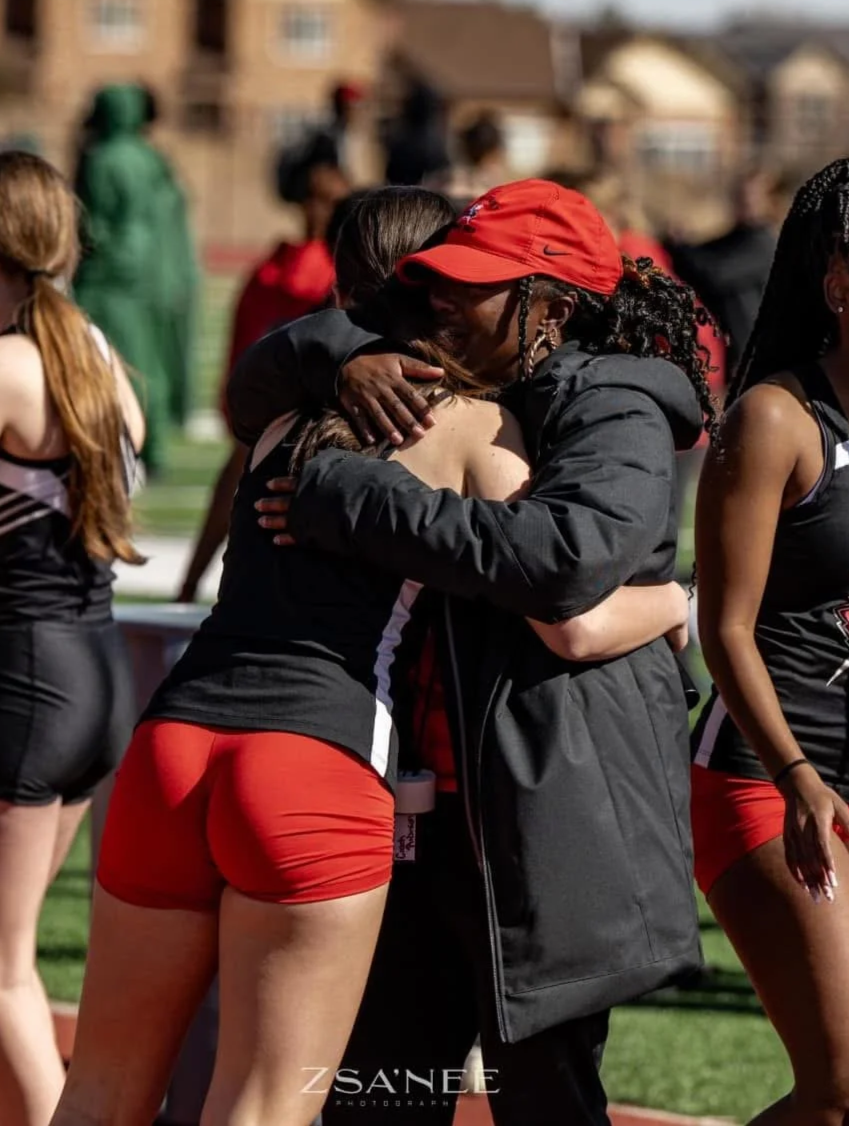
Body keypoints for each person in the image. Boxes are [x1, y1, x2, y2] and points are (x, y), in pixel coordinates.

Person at [51, 185, 686, 1126]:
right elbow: (568, 608)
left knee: (102, 1091)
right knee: (271, 1103)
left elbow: (255, 384)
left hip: (172, 746)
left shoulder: (285, 410)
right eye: (431, 284)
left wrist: (335, 423)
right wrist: (677, 600)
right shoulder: (481, 427)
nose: (439, 302)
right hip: (316, 761)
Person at [230, 178, 714, 1124]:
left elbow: (560, 566)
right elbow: (257, 379)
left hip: (545, 823)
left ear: (550, 307)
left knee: (542, 1102)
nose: (441, 297)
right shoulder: (455, 373)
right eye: (437, 278)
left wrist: (346, 501)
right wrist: (341, 364)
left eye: (472, 282)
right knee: (381, 1097)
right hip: (421, 819)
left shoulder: (613, 405)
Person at [692, 159, 849, 1126]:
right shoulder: (776, 421)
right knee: (840, 1090)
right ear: (837, 280)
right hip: (771, 778)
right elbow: (723, 626)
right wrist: (795, 776)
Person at [0, 151, 144, 1126]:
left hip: (27, 676)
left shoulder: (8, 364)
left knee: (1, 969)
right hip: (95, 671)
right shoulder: (92, 348)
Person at [175, 160, 349, 603]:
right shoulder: (274, 270)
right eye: (313, 199)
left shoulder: (330, 273)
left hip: (317, 412)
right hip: (274, 404)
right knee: (237, 480)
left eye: (329, 202)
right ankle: (192, 584)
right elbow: (246, 333)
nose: (318, 209)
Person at [74, 83, 192, 476]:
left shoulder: (103, 158)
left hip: (112, 276)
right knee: (151, 362)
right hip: (157, 273)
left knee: (108, 359)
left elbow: (97, 222)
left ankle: (123, 442)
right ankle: (154, 443)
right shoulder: (153, 158)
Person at [669, 169, 786, 374]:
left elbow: (715, 274)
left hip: (750, 355)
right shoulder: (737, 237)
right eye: (741, 196)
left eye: (752, 197)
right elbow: (704, 254)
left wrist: (682, 249)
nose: (745, 203)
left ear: (770, 201)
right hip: (725, 348)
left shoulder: (764, 243)